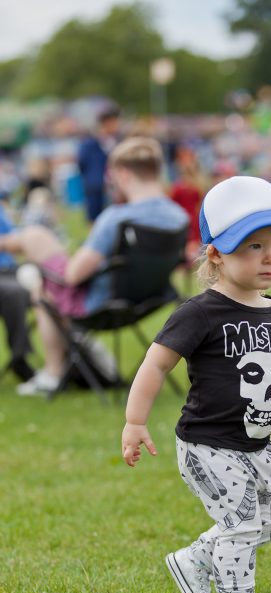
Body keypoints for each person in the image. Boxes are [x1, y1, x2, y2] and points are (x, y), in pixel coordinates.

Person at [122, 175, 271, 593]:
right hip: (208, 444)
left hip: (256, 442)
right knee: (242, 522)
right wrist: (135, 422)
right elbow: (154, 366)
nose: (270, 257)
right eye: (254, 247)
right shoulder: (199, 313)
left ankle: (193, 559)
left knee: (270, 521)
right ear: (216, 254)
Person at [0, 137, 188, 395]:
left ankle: (53, 373)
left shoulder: (117, 217)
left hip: (99, 305)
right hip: (149, 301)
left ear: (122, 173)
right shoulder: (179, 218)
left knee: (40, 279)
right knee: (35, 242)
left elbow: (73, 275)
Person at [0, 204, 35, 382]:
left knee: (49, 283)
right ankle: (19, 358)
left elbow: (18, 240)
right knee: (14, 293)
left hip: (11, 269)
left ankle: (70, 361)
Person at [77, 106, 121, 222]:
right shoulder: (89, 144)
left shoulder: (117, 142)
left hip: (113, 187)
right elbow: (82, 163)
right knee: (94, 218)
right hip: (95, 186)